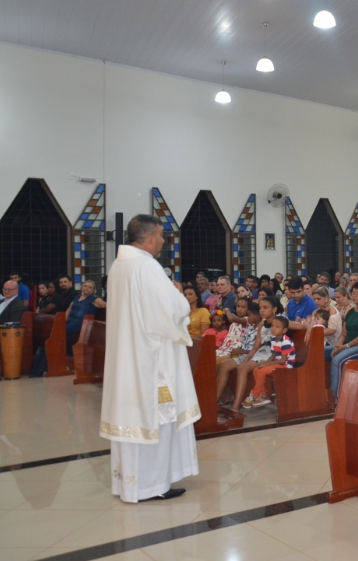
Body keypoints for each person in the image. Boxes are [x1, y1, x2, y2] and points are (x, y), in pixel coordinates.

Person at [99, 215, 199, 503]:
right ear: (149, 237)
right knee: (157, 417)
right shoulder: (146, 267)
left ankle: (131, 484)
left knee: (135, 420)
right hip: (150, 361)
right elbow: (170, 311)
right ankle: (153, 485)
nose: (164, 241)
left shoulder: (119, 266)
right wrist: (179, 295)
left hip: (129, 358)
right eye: (162, 235)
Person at [242, 315, 295, 409]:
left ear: (284, 330)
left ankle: (255, 394)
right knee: (256, 369)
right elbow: (273, 355)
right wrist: (265, 363)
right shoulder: (274, 339)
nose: (273, 328)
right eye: (272, 326)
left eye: (277, 327)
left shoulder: (285, 342)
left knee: (262, 371)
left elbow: (283, 360)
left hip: (286, 366)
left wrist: (267, 364)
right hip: (277, 363)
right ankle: (262, 395)